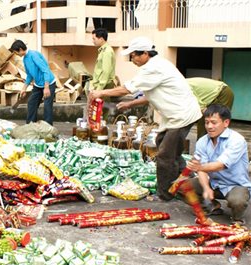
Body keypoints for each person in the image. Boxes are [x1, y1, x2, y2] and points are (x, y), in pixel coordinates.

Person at [89, 36, 202, 201]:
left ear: (145, 54)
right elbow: (150, 93)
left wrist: (101, 92)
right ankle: (185, 182)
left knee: (164, 155)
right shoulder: (157, 65)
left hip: (181, 115)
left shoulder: (153, 68)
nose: (132, 59)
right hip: (176, 115)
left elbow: (126, 89)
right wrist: (131, 104)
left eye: (134, 55)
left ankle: (165, 194)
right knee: (165, 144)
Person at [187, 104, 250, 225]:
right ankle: (213, 206)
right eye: (206, 122)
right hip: (214, 183)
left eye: (214, 122)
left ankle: (237, 219)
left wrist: (198, 167)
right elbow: (202, 170)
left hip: (235, 185)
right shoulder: (202, 141)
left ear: (226, 123)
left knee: (237, 201)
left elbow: (221, 165)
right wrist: (206, 188)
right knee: (181, 186)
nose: (209, 126)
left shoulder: (237, 140)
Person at [116, 77, 235, 139]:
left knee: (213, 122)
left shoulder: (177, 88)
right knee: (204, 123)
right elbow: (150, 98)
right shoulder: (162, 90)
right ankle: (203, 152)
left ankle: (216, 153)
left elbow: (196, 106)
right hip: (207, 97)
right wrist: (129, 104)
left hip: (222, 92)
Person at [9, 40, 56, 125]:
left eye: (16, 52)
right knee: (31, 102)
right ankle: (30, 125)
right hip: (38, 85)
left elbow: (45, 70)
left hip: (49, 83)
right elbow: (29, 75)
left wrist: (46, 87)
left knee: (47, 106)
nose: (16, 54)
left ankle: (48, 128)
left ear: (20, 49)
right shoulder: (25, 59)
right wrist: (23, 89)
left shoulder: (34, 55)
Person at [89, 28, 116, 101]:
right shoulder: (103, 50)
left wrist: (99, 89)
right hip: (101, 85)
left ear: (101, 39)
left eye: (94, 39)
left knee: (101, 110)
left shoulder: (107, 51)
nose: (93, 41)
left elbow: (105, 71)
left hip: (104, 85)